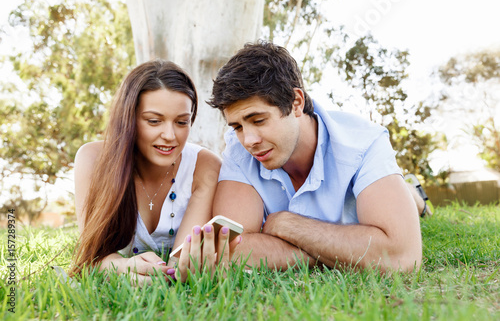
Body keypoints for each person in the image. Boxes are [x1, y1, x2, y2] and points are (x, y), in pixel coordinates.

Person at [208, 41, 423, 273]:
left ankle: (414, 193)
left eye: (258, 120)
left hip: (380, 183)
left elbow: (402, 256)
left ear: (296, 102)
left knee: (413, 202)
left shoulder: (364, 142)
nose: (248, 140)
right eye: (237, 127)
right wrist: (338, 253)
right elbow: (229, 250)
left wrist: (286, 225)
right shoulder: (239, 150)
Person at [71, 60, 240, 285]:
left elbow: (181, 262)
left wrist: (179, 271)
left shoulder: (205, 165)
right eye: (154, 121)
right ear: (128, 118)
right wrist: (120, 266)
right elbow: (90, 256)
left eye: (181, 122)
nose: (170, 135)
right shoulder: (92, 159)